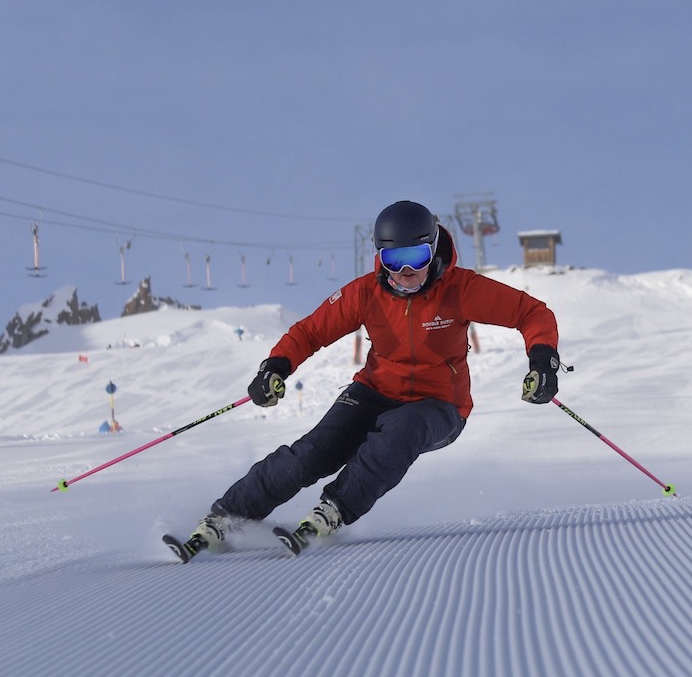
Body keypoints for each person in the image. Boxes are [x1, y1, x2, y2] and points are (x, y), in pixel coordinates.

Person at [165, 200, 561, 562]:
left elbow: (533, 313)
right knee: (313, 452)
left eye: (416, 257)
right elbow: (310, 332)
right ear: (380, 257)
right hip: (374, 391)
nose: (405, 272)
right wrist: (276, 367)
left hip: (440, 405)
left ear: (434, 247)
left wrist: (542, 361)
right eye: (394, 259)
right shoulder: (366, 293)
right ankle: (227, 517)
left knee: (400, 431)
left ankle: (335, 508)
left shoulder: (462, 289)